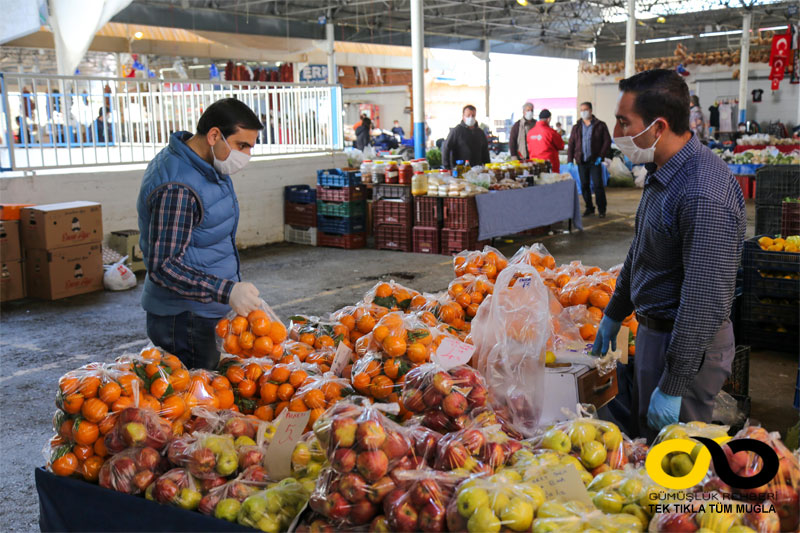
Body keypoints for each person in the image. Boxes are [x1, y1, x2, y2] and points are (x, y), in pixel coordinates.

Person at [592, 69, 745, 442]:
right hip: (653, 333)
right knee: (647, 450)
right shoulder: (663, 173)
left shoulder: (701, 191)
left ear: (658, 127)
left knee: (676, 467)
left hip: (688, 346)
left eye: (624, 122)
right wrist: (614, 312)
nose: (617, 134)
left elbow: (704, 301)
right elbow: (641, 251)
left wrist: (675, 383)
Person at [137, 98, 264, 370]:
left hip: (204, 309)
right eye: (242, 145)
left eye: (251, 147)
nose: (246, 155)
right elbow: (164, 266)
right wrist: (227, 290)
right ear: (214, 135)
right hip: (185, 320)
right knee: (194, 401)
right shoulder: (179, 187)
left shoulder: (205, 165)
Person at [568, 102, 611, 218]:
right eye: (581, 110)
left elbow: (607, 141)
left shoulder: (600, 125)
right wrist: (570, 160)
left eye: (585, 109)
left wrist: (600, 156)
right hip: (581, 161)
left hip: (594, 160)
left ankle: (602, 209)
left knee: (598, 185)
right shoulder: (577, 127)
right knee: (584, 185)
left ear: (591, 110)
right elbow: (571, 144)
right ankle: (589, 207)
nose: (583, 112)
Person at [441, 104, 490, 169]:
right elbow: (446, 148)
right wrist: (447, 167)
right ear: (463, 116)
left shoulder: (480, 132)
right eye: (468, 115)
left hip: (477, 170)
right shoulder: (456, 131)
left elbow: (485, 151)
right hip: (460, 170)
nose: (471, 118)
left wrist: (488, 166)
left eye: (473, 116)